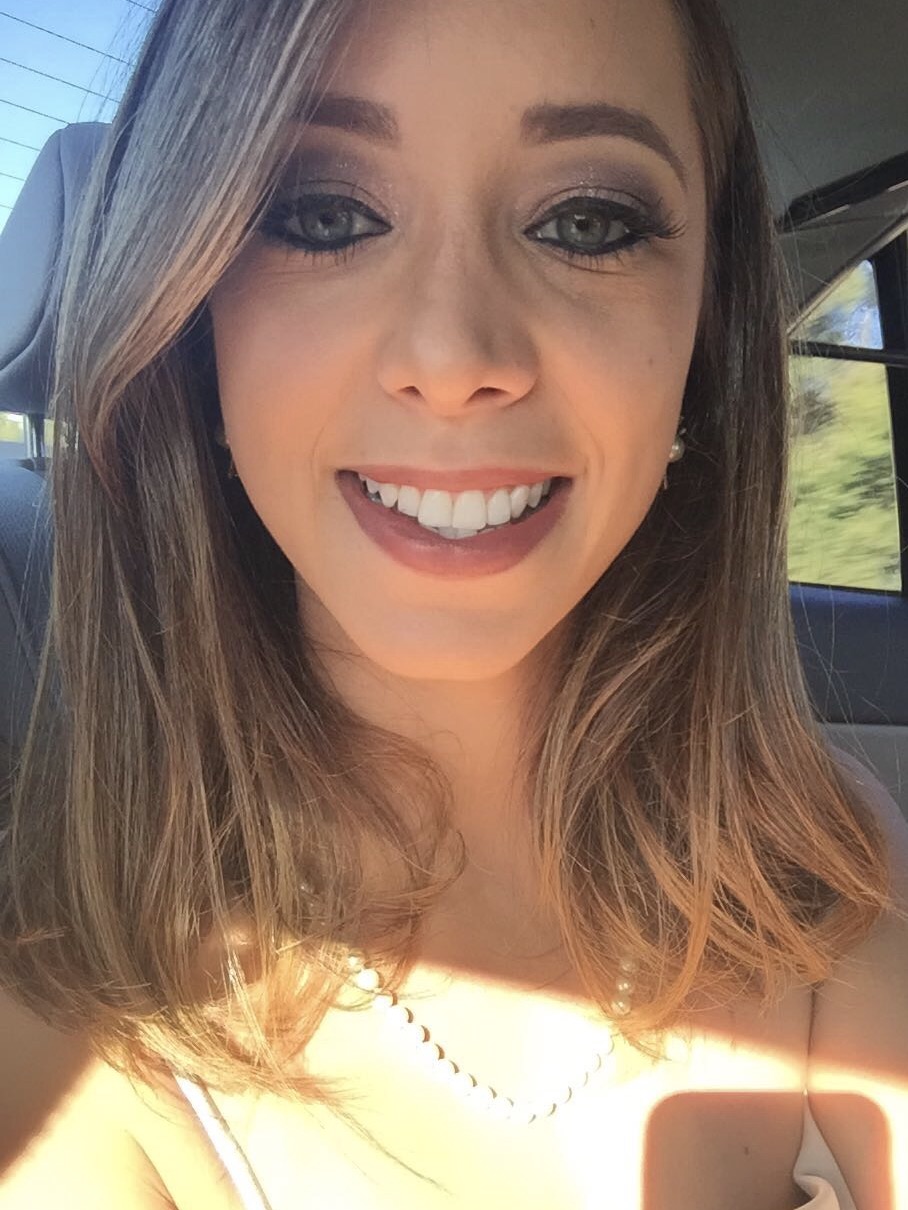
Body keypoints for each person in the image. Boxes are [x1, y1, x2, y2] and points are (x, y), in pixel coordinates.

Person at [1, 0, 907, 1206]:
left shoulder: (814, 854)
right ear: (192, 322)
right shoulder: (73, 1058)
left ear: (703, 328)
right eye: (325, 215)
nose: (451, 353)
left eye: (585, 221)